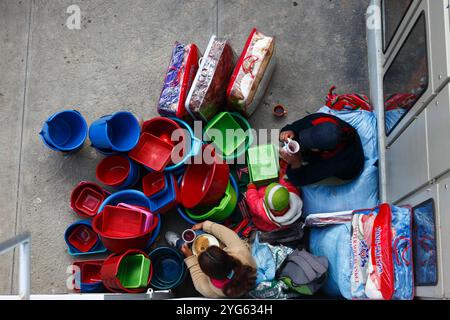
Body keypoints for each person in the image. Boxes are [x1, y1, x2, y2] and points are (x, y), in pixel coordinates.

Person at [165, 221, 257, 298]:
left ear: (206, 273)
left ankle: (178, 242)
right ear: (227, 256)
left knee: (187, 242)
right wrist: (205, 225)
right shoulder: (240, 252)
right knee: (198, 235)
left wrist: (189, 257)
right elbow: (227, 234)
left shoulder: (208, 290)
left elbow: (197, 276)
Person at [279, 113, 364, 186]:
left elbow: (299, 180)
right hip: (338, 140)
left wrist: (295, 163)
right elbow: (295, 126)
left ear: (321, 150)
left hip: (349, 171)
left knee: (290, 179)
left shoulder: (338, 162)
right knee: (293, 144)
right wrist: (287, 131)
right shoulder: (319, 119)